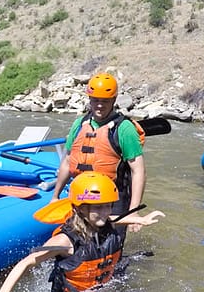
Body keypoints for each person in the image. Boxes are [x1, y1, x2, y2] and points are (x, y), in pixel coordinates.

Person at [0, 172, 164, 292]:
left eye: (108, 205)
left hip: (96, 289)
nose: (105, 212)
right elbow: (27, 261)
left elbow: (111, 219)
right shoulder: (64, 241)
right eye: (98, 207)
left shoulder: (101, 220)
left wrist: (139, 220)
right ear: (81, 209)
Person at [51, 73, 146, 221]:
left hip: (112, 198)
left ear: (114, 100)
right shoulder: (79, 124)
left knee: (110, 244)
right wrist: (55, 196)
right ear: (89, 99)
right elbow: (68, 162)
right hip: (82, 195)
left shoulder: (124, 129)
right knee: (79, 239)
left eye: (105, 101)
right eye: (95, 100)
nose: (100, 105)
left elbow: (138, 171)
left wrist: (133, 211)